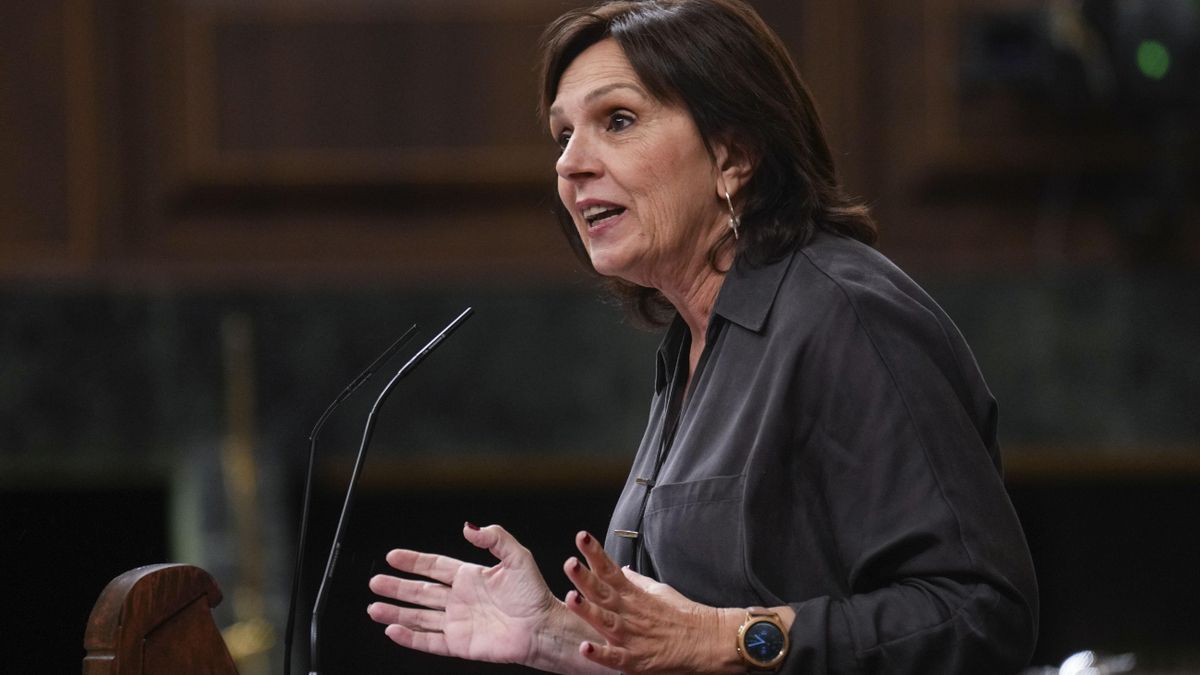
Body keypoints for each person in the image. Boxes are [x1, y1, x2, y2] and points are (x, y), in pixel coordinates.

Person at [366, 1, 1039, 672]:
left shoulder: (845, 316)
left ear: (733, 155)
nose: (569, 164)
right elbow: (686, 638)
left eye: (617, 120)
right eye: (563, 135)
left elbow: (978, 612)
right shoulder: (694, 343)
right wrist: (560, 637)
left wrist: (723, 637)